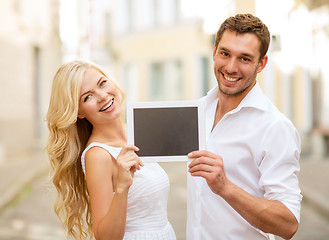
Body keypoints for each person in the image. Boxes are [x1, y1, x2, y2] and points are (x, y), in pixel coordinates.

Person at [187, 13, 302, 240]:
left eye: (245, 58)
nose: (231, 67)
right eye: (225, 53)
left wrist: (225, 187)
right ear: (214, 52)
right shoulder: (198, 111)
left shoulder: (274, 127)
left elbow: (288, 224)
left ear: (262, 63)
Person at [46, 59, 176, 239]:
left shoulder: (135, 133)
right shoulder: (98, 155)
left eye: (102, 83)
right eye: (87, 97)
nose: (102, 96)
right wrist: (122, 187)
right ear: (79, 112)